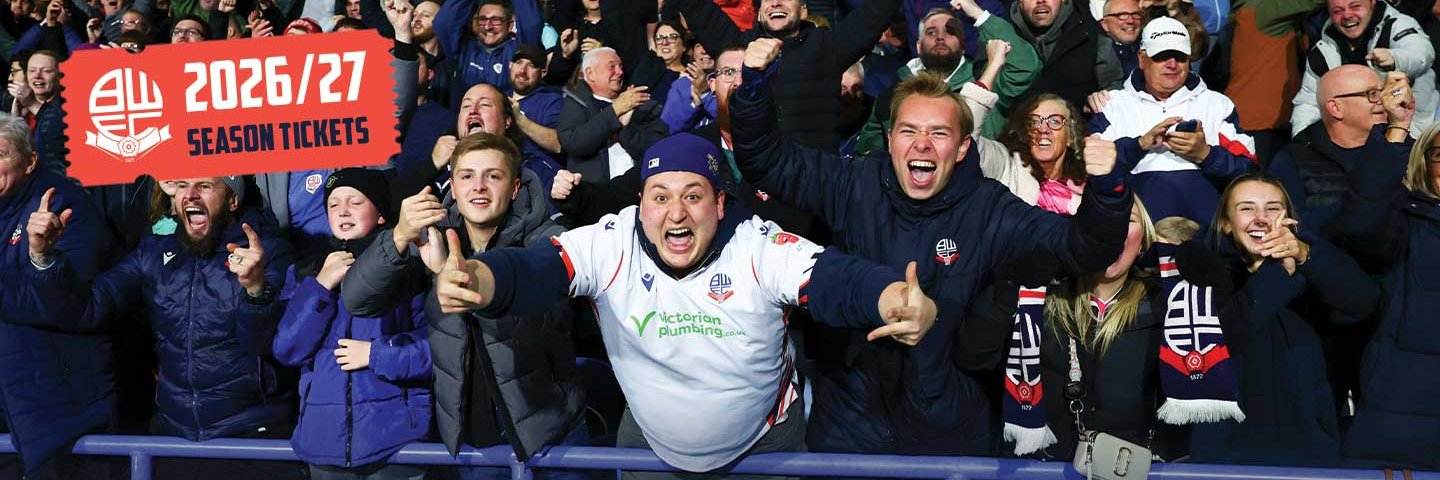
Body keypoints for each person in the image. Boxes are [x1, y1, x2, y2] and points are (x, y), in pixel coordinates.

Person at [433, 132, 940, 479]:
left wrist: (893, 298)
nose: (675, 213)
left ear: (719, 204)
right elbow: (537, 269)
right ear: (640, 204)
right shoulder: (611, 242)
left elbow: (836, 279)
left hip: (763, 448)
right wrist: (481, 277)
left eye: (693, 196)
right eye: (660, 197)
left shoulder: (756, 244)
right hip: (651, 447)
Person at [731, 38, 1135, 456]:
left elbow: (1084, 248)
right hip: (850, 421)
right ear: (890, 139)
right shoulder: (854, 183)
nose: (922, 144)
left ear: (962, 148)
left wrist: (1108, 189)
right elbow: (767, 162)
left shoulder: (989, 208)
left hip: (949, 426)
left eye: (939, 133)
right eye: (909, 130)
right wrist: (754, 88)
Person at [18, 176, 302, 478]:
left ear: (233, 200)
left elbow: (263, 343)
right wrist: (45, 259)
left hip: (252, 438)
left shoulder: (269, 253)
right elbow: (88, 308)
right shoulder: (153, 251)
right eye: (181, 186)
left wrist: (256, 289)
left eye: (204, 186)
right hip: (174, 439)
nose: (190, 195)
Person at [343, 133, 590, 473]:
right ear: (454, 188)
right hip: (476, 443)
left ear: (515, 188)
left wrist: (451, 273)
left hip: (553, 436)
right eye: (467, 176)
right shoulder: (433, 238)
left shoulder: (548, 239)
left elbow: (533, 313)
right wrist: (399, 236)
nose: (479, 187)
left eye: (493, 176)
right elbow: (358, 299)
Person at [1187, 174, 1379, 467]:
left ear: (1290, 219)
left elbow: (1362, 301)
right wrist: (1280, 271)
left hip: (1309, 454)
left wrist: (1305, 255)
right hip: (1224, 457)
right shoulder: (1202, 273)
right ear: (1226, 223)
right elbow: (1225, 334)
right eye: (1247, 208)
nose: (1261, 219)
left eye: (1273, 208)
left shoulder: (1313, 271)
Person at [273, 168, 432, 480]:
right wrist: (321, 285)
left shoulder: (409, 270)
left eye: (355, 202)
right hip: (324, 446)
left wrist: (376, 354)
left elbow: (435, 348)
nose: (343, 211)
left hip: (395, 446)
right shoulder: (306, 272)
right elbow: (288, 349)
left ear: (381, 214)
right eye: (334, 204)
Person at [0, 118, 115, 480]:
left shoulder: (64, 206)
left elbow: (69, 305)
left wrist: (42, 259)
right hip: (17, 414)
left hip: (62, 414)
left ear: (30, 161)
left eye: (0, 154)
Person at [665, 0, 905, 150]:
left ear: (803, 10)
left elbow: (878, 11)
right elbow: (698, 9)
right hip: (755, 184)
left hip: (814, 184)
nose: (776, 3)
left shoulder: (828, 47)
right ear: (759, 12)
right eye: (767, 0)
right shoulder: (738, 49)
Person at [1338, 122, 1440, 470]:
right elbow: (1361, 221)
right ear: (1423, 162)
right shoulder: (1402, 221)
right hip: (1401, 408)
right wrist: (1396, 129)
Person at [1091, 16, 1256, 224]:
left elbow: (1249, 172)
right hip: (1137, 235)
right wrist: (1139, 145)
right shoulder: (1111, 105)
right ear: (1142, 59)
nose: (1172, 64)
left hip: (1204, 235)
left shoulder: (1217, 104)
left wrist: (1205, 154)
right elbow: (1092, 171)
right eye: (1161, 56)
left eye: (1179, 56)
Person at [854, 0, 1040, 150]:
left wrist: (978, 14)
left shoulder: (989, 77)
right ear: (918, 46)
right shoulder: (894, 94)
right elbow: (868, 154)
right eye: (931, 32)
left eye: (950, 31)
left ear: (963, 45)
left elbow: (1026, 66)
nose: (940, 37)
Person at [1269, 66, 1415, 237]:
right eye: (1372, 94)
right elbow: (1290, 226)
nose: (1383, 100)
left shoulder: (1406, 147)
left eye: (1383, 92)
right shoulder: (1293, 159)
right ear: (1335, 108)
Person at [1291, 0, 1437, 137]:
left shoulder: (1398, 24)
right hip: (1359, 135)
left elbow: (1422, 54)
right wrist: (1302, 141)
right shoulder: (1323, 50)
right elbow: (1309, 103)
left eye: (1355, 6)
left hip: (1419, 125)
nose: (1347, 15)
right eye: (1337, 11)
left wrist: (1396, 59)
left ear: (1373, 2)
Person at [557, 47, 668, 182]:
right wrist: (614, 112)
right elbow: (574, 143)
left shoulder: (643, 105)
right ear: (590, 73)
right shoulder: (576, 104)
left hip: (639, 187)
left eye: (620, 66)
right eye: (612, 67)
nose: (620, 72)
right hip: (596, 190)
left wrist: (626, 129)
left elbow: (658, 149)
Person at [1010, 0, 1124, 110]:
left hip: (1079, 121)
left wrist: (1100, 99)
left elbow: (1114, 85)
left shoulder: (1090, 35)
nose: (1041, 1)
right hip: (1016, 121)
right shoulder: (1005, 33)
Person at [434, 0, 541, 99]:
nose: (488, 26)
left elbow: (531, 24)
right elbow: (444, 24)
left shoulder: (519, 51)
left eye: (495, 20)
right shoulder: (463, 49)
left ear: (510, 25)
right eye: (483, 19)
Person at [508, 42, 566, 201]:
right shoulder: (498, 97)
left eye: (531, 65)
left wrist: (520, 120)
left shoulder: (552, 101)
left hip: (540, 181)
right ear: (510, 66)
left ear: (543, 72)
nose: (522, 70)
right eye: (519, 62)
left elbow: (558, 144)